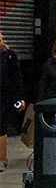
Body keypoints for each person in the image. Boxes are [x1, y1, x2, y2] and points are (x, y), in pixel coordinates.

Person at [0, 30, 25, 173]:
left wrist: (20, 98)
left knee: (1, 127)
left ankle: (2, 159)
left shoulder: (9, 56)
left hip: (4, 97)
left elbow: (17, 78)